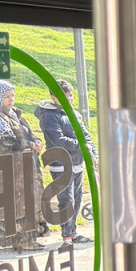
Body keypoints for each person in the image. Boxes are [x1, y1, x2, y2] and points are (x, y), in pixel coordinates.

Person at [0, 79, 45, 251]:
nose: (11, 99)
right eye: (7, 96)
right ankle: (20, 241)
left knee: (28, 201)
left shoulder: (13, 113)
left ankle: (29, 239)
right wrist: (31, 145)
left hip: (22, 166)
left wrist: (36, 141)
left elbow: (26, 133)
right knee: (13, 204)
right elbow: (8, 141)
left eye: (13, 95)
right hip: (5, 169)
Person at [34, 80, 92, 245]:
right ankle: (66, 236)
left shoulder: (75, 114)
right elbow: (58, 140)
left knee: (77, 198)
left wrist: (92, 152)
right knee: (67, 200)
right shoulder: (48, 116)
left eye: (71, 95)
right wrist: (80, 145)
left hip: (77, 162)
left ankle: (73, 233)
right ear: (53, 97)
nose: (70, 99)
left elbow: (86, 136)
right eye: (65, 97)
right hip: (61, 164)